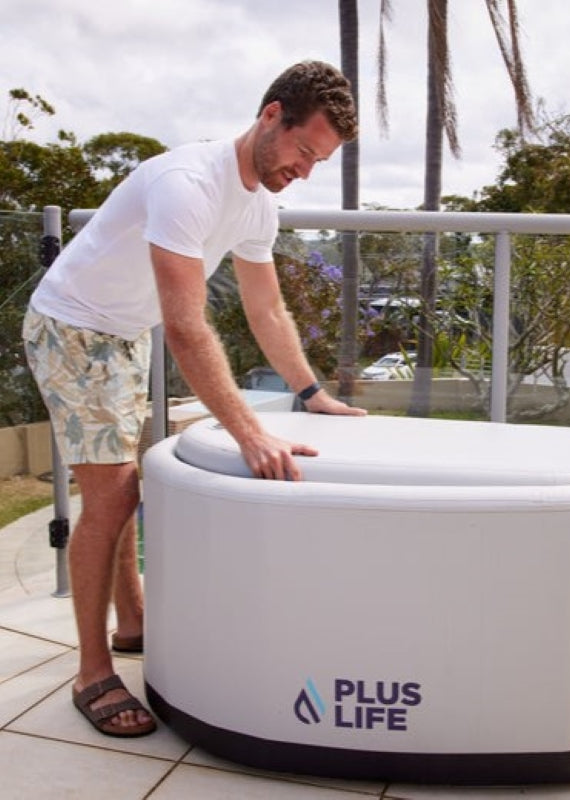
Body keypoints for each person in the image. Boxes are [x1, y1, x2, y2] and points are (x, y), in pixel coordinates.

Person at [23, 60, 366, 738]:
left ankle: (135, 623)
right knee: (116, 492)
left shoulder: (258, 202)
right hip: (70, 325)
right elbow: (185, 327)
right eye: (303, 150)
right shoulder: (189, 184)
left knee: (120, 483)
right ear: (272, 116)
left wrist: (310, 391)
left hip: (121, 334)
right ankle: (92, 672)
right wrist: (248, 432)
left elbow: (265, 311)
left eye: (319, 161)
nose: (305, 170)